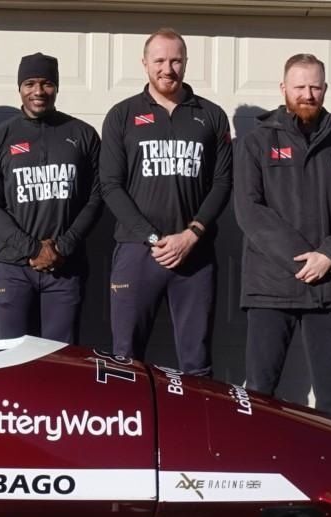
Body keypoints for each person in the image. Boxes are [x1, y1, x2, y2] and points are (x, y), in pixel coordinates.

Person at [234, 54, 331, 418]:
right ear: (283, 89)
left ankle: (330, 471)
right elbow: (250, 210)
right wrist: (302, 258)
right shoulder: (255, 143)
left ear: (325, 89)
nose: (307, 94)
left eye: (315, 86)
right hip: (270, 286)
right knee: (260, 392)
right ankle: (258, 463)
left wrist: (328, 256)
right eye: (299, 86)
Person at [101, 28, 232, 375]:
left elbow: (221, 183)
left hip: (195, 254)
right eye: (159, 60)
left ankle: (196, 429)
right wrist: (152, 238)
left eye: (176, 60)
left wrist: (191, 234)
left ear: (186, 62)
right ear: (144, 63)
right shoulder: (122, 115)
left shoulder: (212, 115)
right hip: (137, 250)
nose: (168, 69)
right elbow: (110, 185)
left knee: (197, 361)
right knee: (125, 358)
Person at [0, 52, 102, 344]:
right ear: (19, 87)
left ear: (56, 87)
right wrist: (33, 248)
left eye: (46, 83)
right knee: (11, 357)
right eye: (30, 83)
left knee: (60, 359)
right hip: (12, 267)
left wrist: (63, 245)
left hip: (65, 267)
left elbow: (96, 197)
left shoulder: (82, 134)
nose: (38, 91)